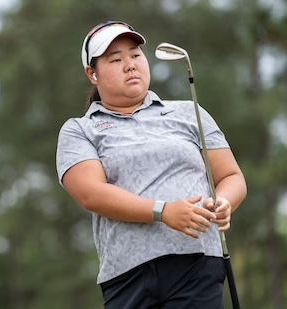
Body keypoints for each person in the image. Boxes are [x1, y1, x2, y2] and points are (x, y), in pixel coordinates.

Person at [56, 20, 247, 308]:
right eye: (115, 59)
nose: (130, 65)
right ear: (92, 73)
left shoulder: (188, 111)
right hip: (127, 273)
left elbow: (231, 176)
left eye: (135, 55)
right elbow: (90, 193)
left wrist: (224, 202)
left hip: (195, 260)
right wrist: (164, 211)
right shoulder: (80, 130)